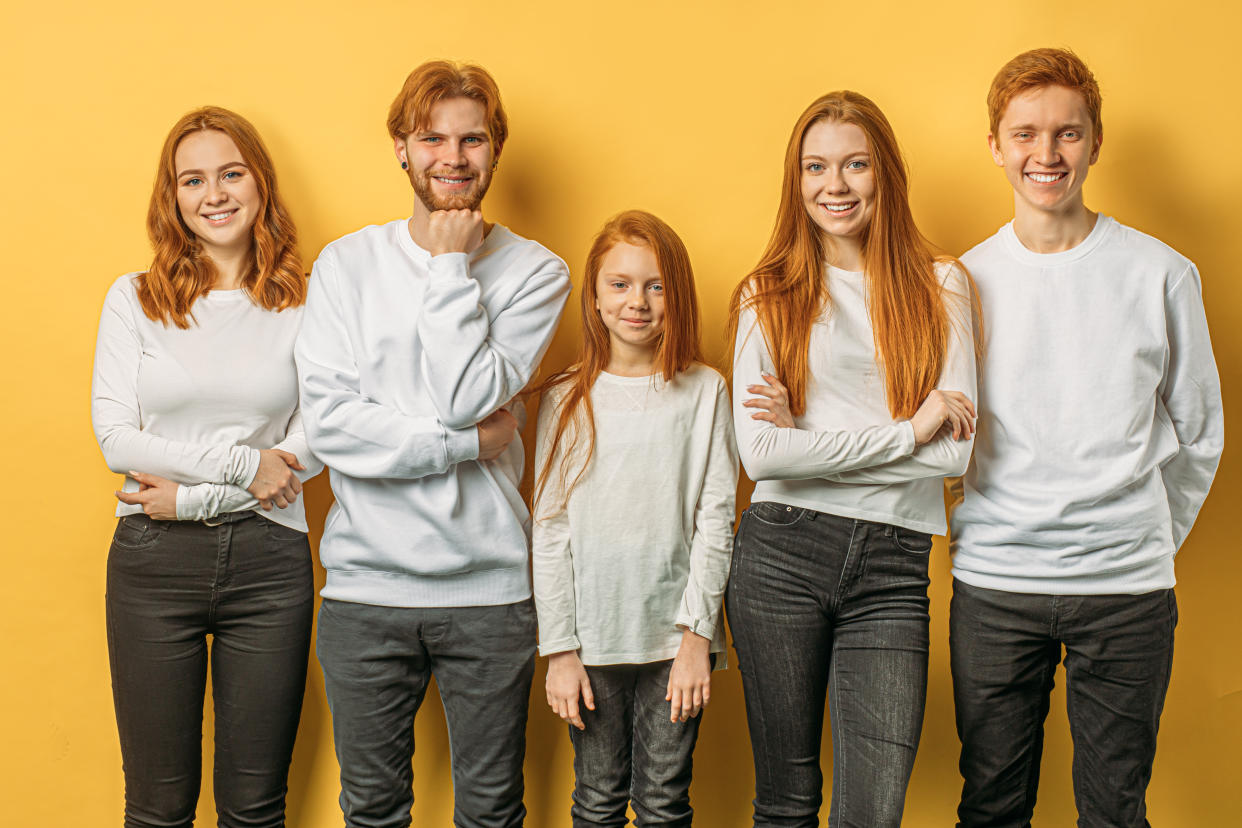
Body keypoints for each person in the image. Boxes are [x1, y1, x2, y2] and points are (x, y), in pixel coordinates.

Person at [949, 48, 1224, 828]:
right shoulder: (961, 283)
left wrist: (1147, 537)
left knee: (1114, 810)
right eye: (1026, 134)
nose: (1046, 154)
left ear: (1094, 143)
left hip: (1127, 591)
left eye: (1067, 134)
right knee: (991, 807)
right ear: (995, 145)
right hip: (997, 584)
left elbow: (1200, 429)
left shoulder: (1161, 272)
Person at [295, 60, 571, 828]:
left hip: (488, 593)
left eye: (472, 139)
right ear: (401, 148)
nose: (453, 157)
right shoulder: (347, 265)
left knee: (490, 812)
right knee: (373, 810)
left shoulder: (536, 272)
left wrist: (450, 263)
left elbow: (462, 395)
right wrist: (459, 444)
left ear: (495, 150)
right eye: (432, 138)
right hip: (363, 593)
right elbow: (331, 426)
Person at [726, 90, 978, 827]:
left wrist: (811, 445)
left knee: (873, 811)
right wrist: (906, 431)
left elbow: (955, 453)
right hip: (780, 556)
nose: (834, 186)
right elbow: (761, 452)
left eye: (855, 165)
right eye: (816, 167)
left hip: (894, 568)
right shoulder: (765, 294)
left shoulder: (942, 284)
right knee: (786, 800)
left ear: (885, 174)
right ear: (795, 180)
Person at [91, 106, 321, 828]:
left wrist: (195, 497)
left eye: (230, 174)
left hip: (269, 564)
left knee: (255, 810)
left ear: (260, 184)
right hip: (153, 567)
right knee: (158, 808)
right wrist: (244, 462)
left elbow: (316, 437)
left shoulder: (309, 302)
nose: (214, 193)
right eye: (193, 180)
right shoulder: (132, 299)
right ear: (173, 197)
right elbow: (114, 438)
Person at [532, 210, 737, 826]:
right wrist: (560, 650)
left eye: (655, 285)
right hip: (591, 644)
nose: (637, 302)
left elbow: (716, 517)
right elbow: (550, 528)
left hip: (674, 644)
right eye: (619, 284)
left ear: (677, 293)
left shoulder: (706, 391)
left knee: (664, 801)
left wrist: (698, 637)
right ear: (594, 297)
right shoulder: (566, 397)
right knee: (595, 801)